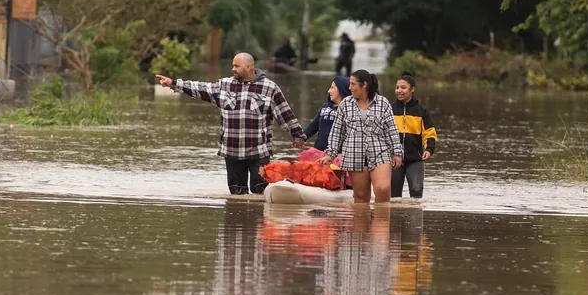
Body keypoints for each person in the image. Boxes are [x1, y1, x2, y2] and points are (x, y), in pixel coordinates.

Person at [156, 53, 306, 195]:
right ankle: (238, 222)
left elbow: (284, 113)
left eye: (236, 66)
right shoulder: (224, 85)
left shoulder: (270, 88)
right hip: (232, 150)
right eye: (233, 66)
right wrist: (174, 83)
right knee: (237, 193)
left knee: (260, 190)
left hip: (259, 151)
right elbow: (200, 88)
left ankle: (257, 221)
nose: (232, 69)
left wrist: (297, 134)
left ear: (249, 67)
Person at [318, 69, 403, 203]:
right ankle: (361, 222)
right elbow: (337, 132)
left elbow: (391, 130)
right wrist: (330, 154)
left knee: (382, 188)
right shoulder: (345, 105)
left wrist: (397, 152)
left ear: (364, 85)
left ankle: (381, 221)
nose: (349, 87)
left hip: (380, 152)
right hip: (354, 154)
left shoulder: (383, 103)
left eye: (353, 84)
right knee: (361, 197)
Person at [391, 71, 437, 199]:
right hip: (394, 159)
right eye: (397, 87)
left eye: (403, 88)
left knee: (416, 192)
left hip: (415, 159)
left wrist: (429, 149)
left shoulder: (422, 111)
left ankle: (415, 217)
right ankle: (395, 218)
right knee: (393, 197)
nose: (399, 90)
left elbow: (429, 133)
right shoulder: (390, 109)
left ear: (412, 89)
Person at [303, 76, 351, 151]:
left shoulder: (350, 110)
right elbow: (313, 126)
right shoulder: (325, 107)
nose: (329, 91)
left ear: (341, 90)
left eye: (332, 88)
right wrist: (301, 137)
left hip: (338, 155)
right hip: (319, 152)